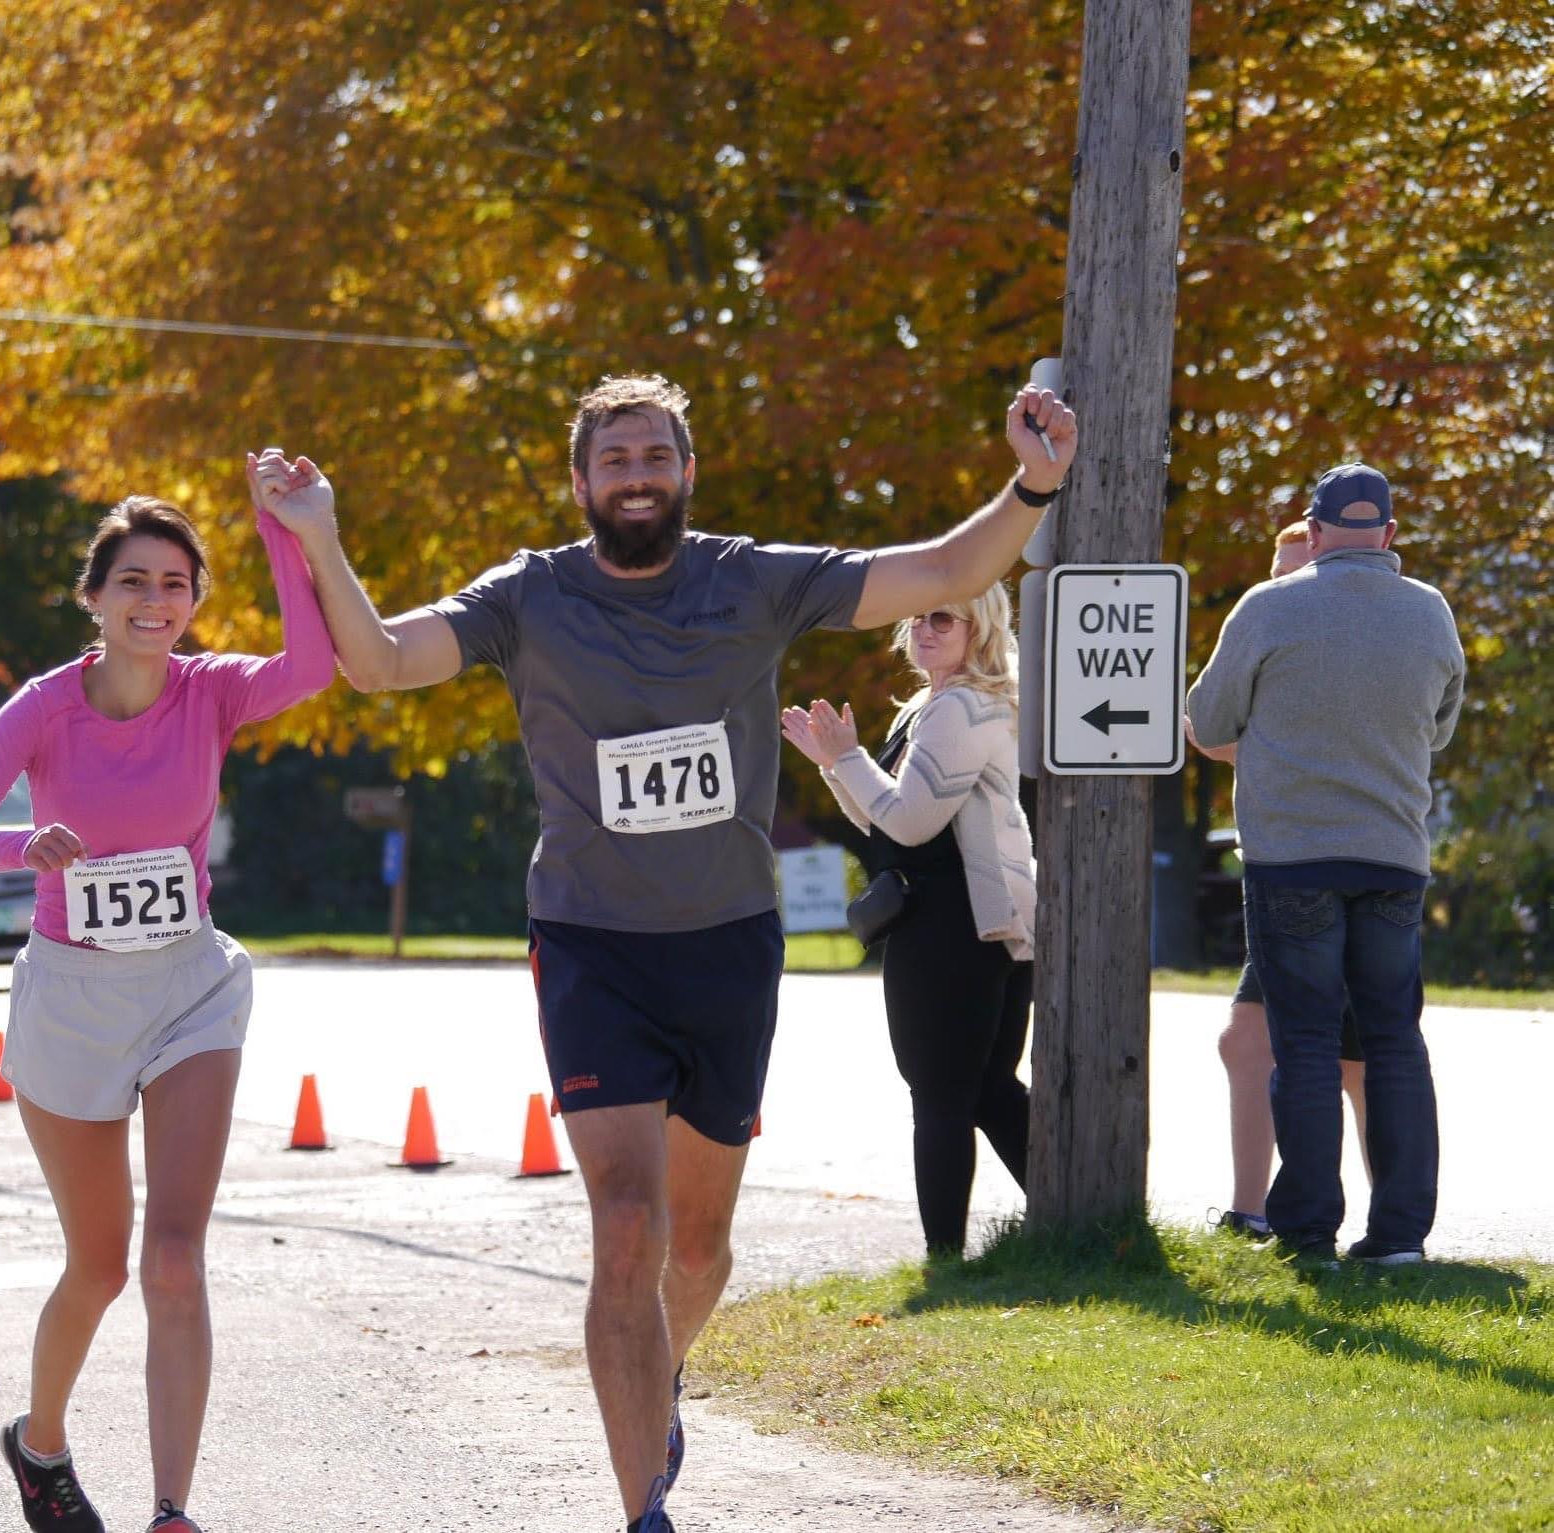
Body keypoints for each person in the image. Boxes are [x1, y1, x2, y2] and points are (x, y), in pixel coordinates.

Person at [248, 373, 1077, 1532]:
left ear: (686, 472)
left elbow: (945, 569)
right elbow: (381, 662)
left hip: (727, 947)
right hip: (592, 944)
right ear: (581, 482)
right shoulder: (528, 597)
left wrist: (1034, 479)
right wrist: (320, 537)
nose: (635, 477)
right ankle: (644, 1508)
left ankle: (657, 1375)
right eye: (613, 460)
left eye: (654, 457)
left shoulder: (753, 580)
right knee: (625, 1227)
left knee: (698, 1249)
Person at [0, 490, 334, 1533]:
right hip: (70, 1000)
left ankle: (170, 1512)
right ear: (94, 598)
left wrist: (287, 536)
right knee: (100, 1266)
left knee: (173, 1257)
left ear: (194, 599)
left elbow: (311, 668)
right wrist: (23, 845)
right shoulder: (45, 708)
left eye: (175, 583)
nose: (156, 600)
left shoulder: (212, 692)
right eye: (133, 582)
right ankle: (40, 1443)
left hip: (188, 986)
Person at [1185, 464, 1464, 1266]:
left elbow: (1207, 716)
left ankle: (1306, 1230)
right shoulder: (1431, 611)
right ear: (1389, 534)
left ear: (1311, 530)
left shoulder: (1270, 605)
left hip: (1292, 855)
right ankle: (1401, 1237)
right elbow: (1440, 726)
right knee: (1395, 1040)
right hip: (1393, 856)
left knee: (1304, 1041)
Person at [781, 582, 1035, 1258]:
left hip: (955, 923)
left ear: (978, 628)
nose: (924, 627)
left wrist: (845, 757)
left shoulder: (959, 710)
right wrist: (835, 764)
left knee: (943, 1092)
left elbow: (912, 824)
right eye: (919, 615)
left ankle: (945, 1257)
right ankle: (1079, 1217)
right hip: (971, 919)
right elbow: (880, 820)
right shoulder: (938, 704)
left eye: (942, 618)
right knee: (980, 1088)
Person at [1187, 521, 1367, 1240]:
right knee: (1267, 1044)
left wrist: (1246, 737)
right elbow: (1215, 727)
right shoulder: (1268, 634)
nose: (1290, 588)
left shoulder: (1354, 646)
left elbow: (1227, 732)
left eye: (1303, 571)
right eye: (1280, 575)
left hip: (1337, 872)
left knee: (1358, 1062)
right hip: (1285, 870)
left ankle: (1383, 1226)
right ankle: (1254, 1212)